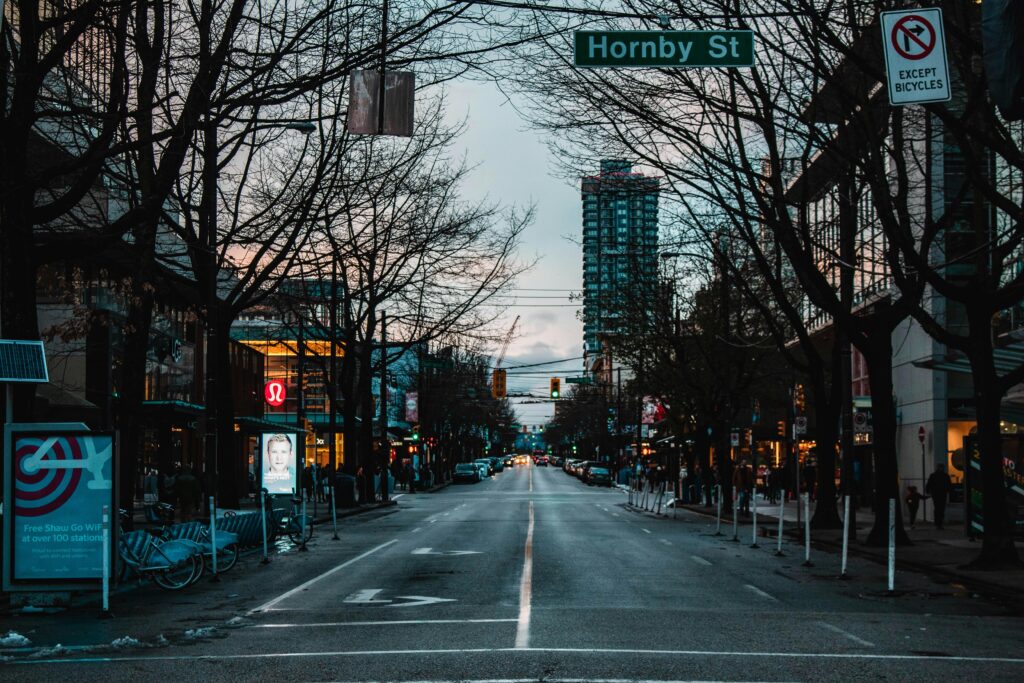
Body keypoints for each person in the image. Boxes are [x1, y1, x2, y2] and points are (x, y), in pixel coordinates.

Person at [925, 464, 952, 530]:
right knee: (941, 508)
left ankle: (938, 523)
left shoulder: (933, 475)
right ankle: (939, 523)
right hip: (942, 493)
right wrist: (949, 490)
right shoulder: (945, 476)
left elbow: (929, 484)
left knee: (937, 508)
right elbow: (949, 485)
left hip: (936, 494)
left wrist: (928, 490)